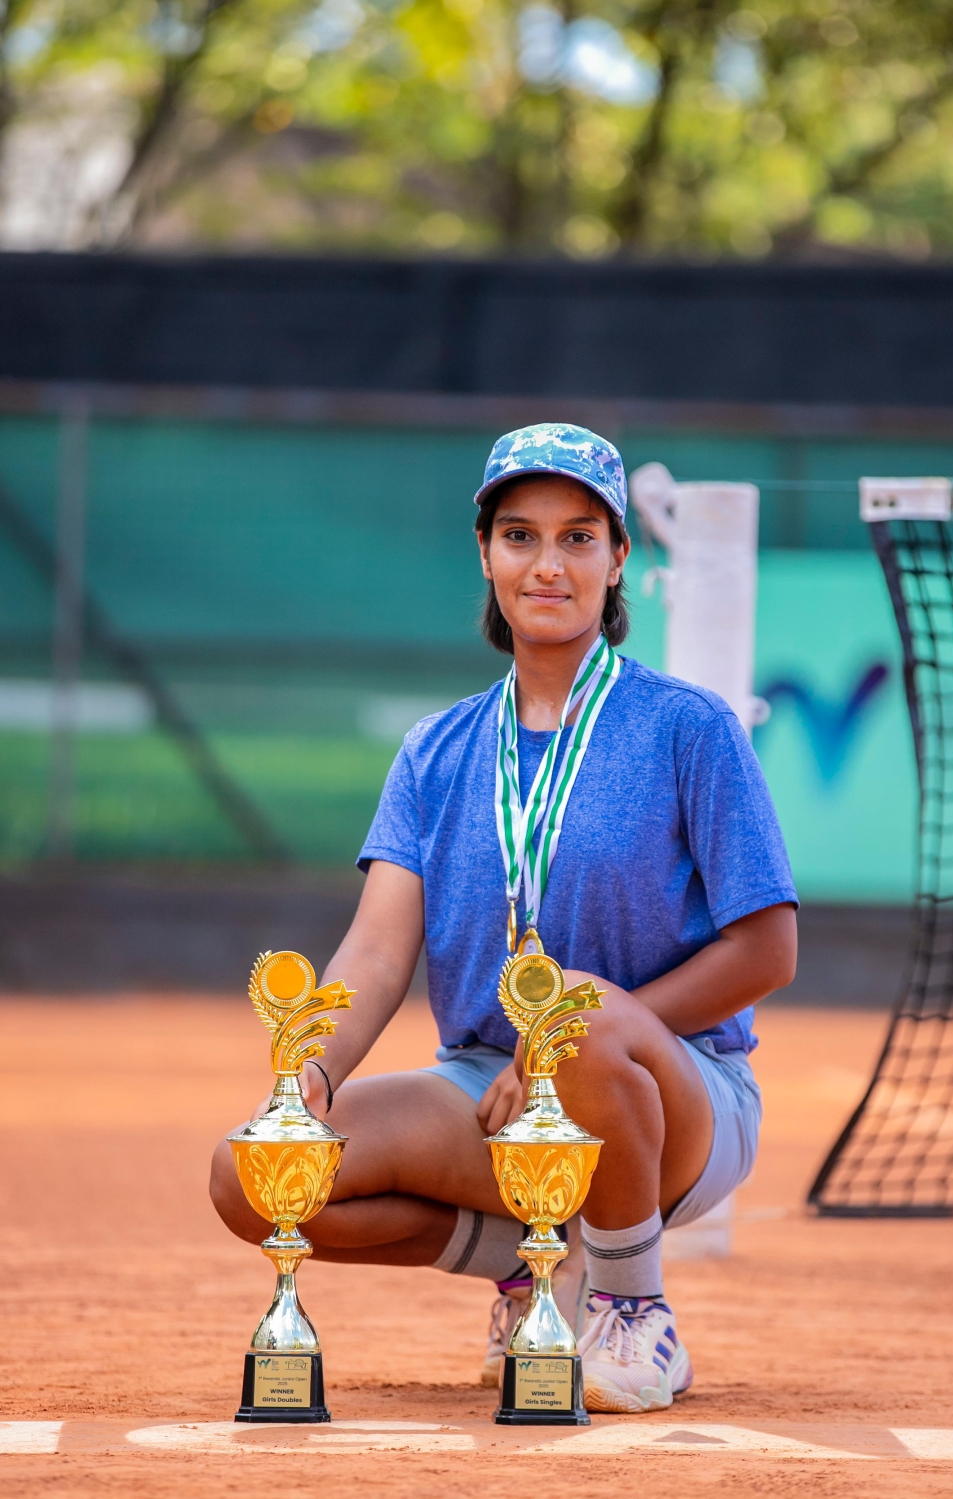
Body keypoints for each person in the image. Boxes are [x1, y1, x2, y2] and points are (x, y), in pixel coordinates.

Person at [210, 422, 798, 1414]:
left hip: (674, 1088)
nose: (548, 564)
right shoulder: (435, 749)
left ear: (619, 558)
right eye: (520, 535)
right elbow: (377, 949)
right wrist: (307, 1077)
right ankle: (533, 1268)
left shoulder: (688, 726)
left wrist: (565, 1038)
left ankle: (631, 1309)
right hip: (484, 1090)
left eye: (578, 537)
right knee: (253, 1173)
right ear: (485, 554)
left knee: (579, 1020)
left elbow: (768, 948)